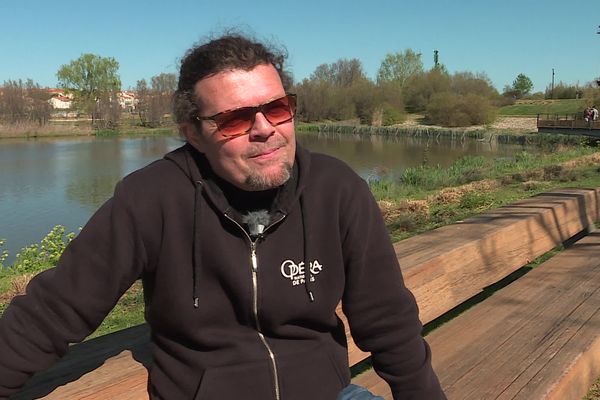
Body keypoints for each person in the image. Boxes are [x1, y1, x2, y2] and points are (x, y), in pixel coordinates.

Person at [0, 33, 446, 400]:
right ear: (193, 132)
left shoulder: (336, 188)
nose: (265, 129)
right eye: (235, 119)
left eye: (276, 108)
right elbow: (53, 312)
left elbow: (386, 317)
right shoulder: (151, 198)